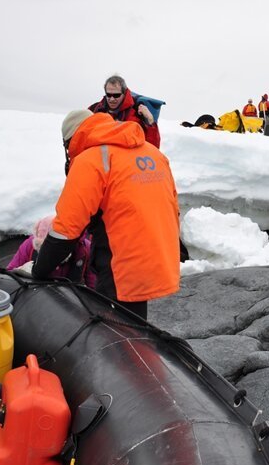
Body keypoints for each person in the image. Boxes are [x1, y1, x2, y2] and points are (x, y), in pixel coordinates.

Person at [32, 109, 180, 320]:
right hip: (159, 252)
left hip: (121, 261)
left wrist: (39, 269)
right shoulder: (152, 152)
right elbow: (172, 203)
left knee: (115, 332)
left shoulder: (91, 159)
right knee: (135, 321)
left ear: (71, 139)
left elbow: (66, 230)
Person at [8, 216, 95, 287]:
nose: (48, 255)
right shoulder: (29, 245)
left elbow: (94, 286)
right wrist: (23, 271)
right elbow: (9, 276)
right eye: (42, 248)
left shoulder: (85, 249)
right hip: (37, 295)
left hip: (71, 298)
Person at [88, 75, 161, 148]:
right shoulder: (94, 110)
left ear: (124, 93)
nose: (112, 99)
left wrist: (150, 121)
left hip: (125, 157)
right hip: (98, 156)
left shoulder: (137, 114)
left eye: (116, 95)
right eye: (108, 95)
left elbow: (152, 148)